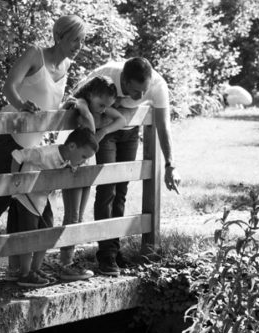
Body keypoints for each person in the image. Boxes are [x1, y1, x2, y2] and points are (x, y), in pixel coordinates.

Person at [0, 15, 86, 254]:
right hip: (7, 136)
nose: (79, 46)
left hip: (33, 145)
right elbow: (9, 87)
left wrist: (65, 109)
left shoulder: (66, 66)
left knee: (34, 200)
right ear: (58, 37)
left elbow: (48, 106)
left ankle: (20, 264)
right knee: (3, 197)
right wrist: (22, 104)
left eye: (82, 41)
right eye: (75, 40)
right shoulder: (35, 54)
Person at [72, 56, 181, 276]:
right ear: (123, 80)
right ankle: (106, 256)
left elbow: (163, 123)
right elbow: (75, 97)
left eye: (144, 91)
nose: (141, 97)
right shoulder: (106, 75)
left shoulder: (158, 86)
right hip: (106, 132)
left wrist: (170, 163)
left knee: (122, 188)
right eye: (135, 92)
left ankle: (114, 248)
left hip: (130, 132)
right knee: (107, 188)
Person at [47, 75, 127, 282]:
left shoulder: (97, 107)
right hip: (73, 165)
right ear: (91, 94)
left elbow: (122, 119)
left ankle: (70, 261)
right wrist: (92, 125)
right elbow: (83, 111)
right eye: (101, 104)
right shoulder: (81, 103)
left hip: (85, 165)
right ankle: (65, 264)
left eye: (106, 106)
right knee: (72, 215)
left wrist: (102, 133)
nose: (102, 109)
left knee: (80, 216)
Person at [8, 126, 98, 288]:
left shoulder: (66, 158)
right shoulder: (44, 154)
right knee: (30, 235)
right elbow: (18, 155)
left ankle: (36, 269)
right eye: (83, 156)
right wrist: (16, 179)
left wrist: (68, 167)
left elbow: (61, 166)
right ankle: (25, 273)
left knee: (48, 232)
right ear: (72, 146)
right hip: (27, 199)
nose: (84, 161)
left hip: (43, 198)